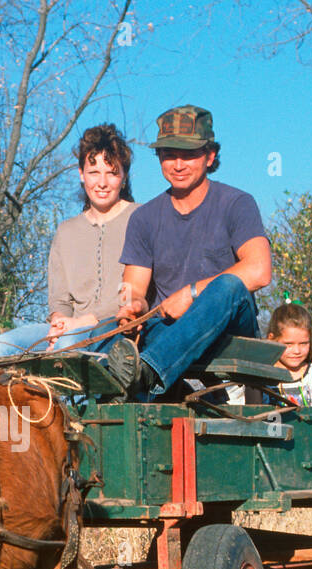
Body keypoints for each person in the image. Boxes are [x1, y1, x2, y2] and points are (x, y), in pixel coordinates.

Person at [100, 105, 273, 397]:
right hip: (170, 331)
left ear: (210, 156)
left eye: (189, 154)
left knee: (229, 284)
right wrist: (132, 310)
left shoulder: (237, 203)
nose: (178, 164)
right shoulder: (144, 218)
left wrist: (191, 293)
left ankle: (148, 374)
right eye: (169, 154)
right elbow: (133, 289)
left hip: (230, 331)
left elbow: (259, 270)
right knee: (100, 333)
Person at [0, 124, 137, 357]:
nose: (102, 183)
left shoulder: (140, 219)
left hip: (115, 328)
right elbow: (60, 298)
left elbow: (136, 294)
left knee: (67, 344)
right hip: (70, 328)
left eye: (111, 172)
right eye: (94, 172)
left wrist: (86, 321)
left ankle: (66, 393)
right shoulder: (66, 231)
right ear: (81, 174)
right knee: (3, 345)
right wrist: (58, 324)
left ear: (124, 177)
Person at [267, 303, 312, 407]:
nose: (297, 351)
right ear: (272, 339)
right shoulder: (261, 375)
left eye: (303, 343)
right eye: (288, 344)